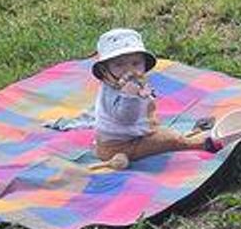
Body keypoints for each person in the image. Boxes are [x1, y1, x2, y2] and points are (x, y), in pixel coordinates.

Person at [90, 28, 219, 170]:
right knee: (168, 139)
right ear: (104, 70)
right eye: (119, 64)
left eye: (136, 63)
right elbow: (126, 119)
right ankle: (200, 143)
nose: (129, 70)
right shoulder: (115, 92)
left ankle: (181, 134)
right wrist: (129, 97)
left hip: (135, 133)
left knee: (157, 128)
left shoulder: (132, 82)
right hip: (119, 144)